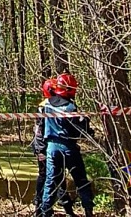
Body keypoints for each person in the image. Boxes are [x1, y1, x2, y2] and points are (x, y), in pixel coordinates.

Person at [41, 73, 95, 217]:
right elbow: (76, 131)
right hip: (68, 147)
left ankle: (45, 212)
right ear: (70, 89)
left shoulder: (46, 104)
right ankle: (88, 210)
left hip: (51, 148)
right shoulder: (70, 107)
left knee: (50, 181)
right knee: (81, 179)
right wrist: (85, 123)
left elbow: (41, 126)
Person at [32, 78, 75, 217]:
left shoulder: (56, 104)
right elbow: (39, 131)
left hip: (52, 147)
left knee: (57, 176)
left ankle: (64, 207)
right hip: (44, 147)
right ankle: (40, 208)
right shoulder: (44, 106)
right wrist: (40, 150)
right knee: (46, 176)